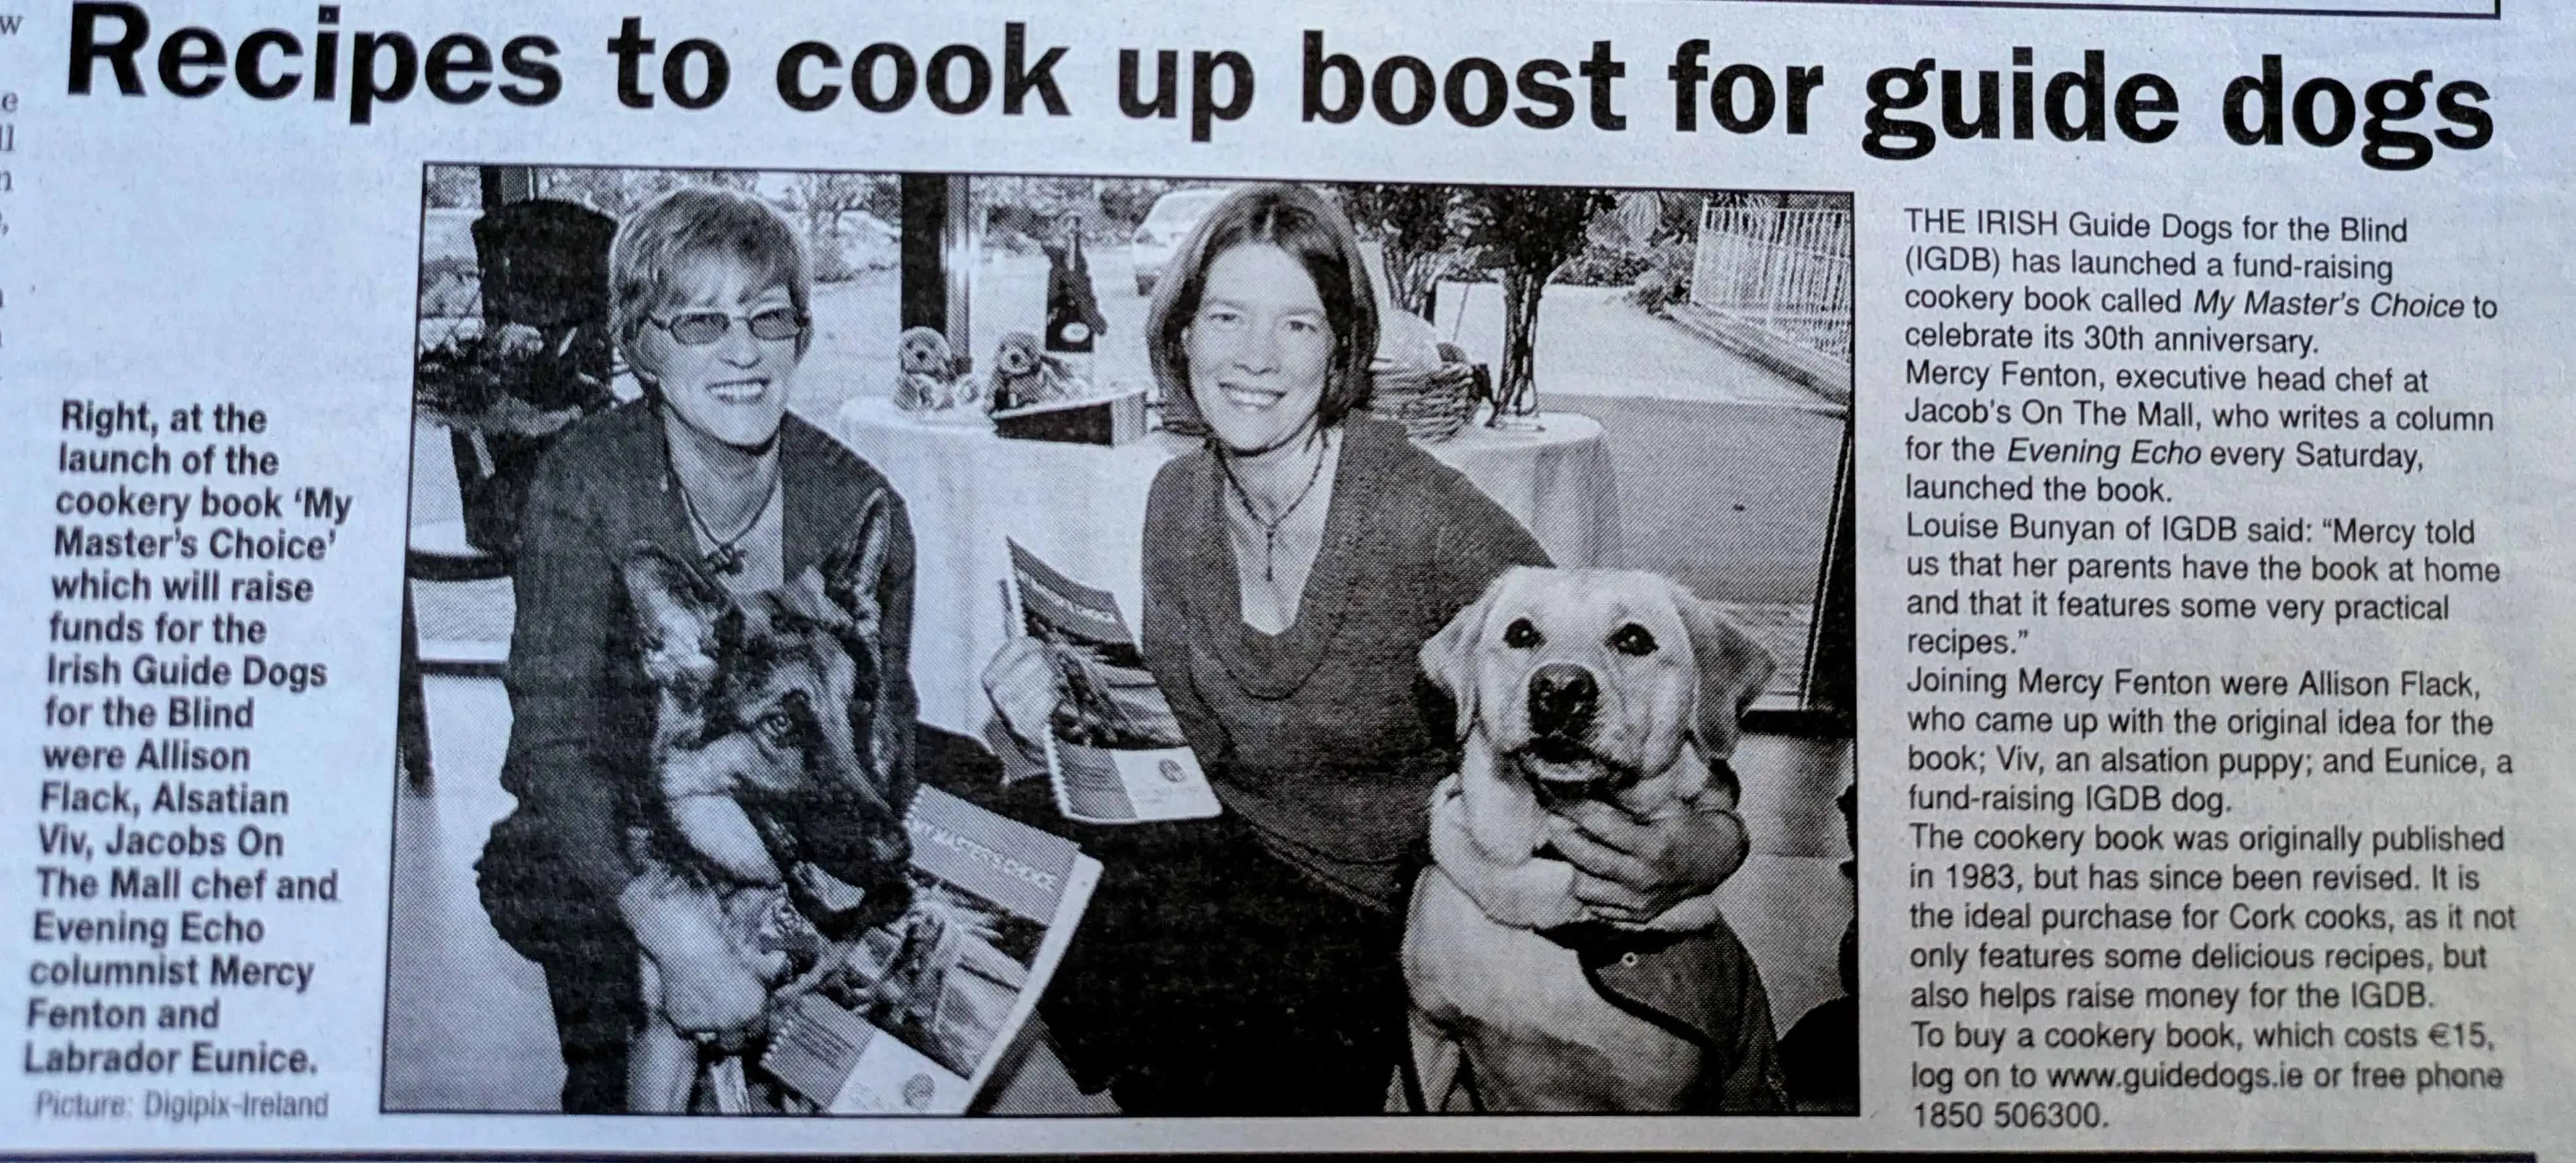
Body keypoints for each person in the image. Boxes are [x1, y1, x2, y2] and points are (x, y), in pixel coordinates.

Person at [983, 183, 1751, 1114]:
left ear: (1342, 349)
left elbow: (1604, 682)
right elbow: (1181, 747)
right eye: (1226, 317)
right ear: (1182, 336)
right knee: (994, 816)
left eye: (1297, 325)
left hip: (1376, 904)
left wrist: (1711, 840)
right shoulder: (1177, 501)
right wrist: (1059, 713)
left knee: (1209, 1029)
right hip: (1226, 850)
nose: (1256, 357)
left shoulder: (1420, 516)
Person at [474, 187, 920, 1113]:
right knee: (544, 892)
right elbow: (550, 747)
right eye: (702, 322)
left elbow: (886, 725)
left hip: (792, 807)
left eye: (769, 317)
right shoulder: (584, 487)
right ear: (641, 345)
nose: (744, 351)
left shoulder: (857, 502)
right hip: (613, 808)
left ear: (800, 335)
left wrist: (794, 922)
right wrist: (675, 931)